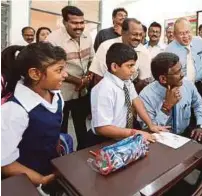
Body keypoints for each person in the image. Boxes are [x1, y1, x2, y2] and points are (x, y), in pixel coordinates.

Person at [1, 42, 67, 190]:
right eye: (59, 70)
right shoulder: (15, 110)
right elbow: (5, 164)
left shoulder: (56, 95)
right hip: (26, 180)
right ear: (35, 74)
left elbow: (53, 130)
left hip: (49, 168)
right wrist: (42, 180)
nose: (66, 74)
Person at [88, 43, 168, 146]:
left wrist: (150, 125)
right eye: (130, 65)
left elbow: (136, 101)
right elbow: (102, 128)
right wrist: (134, 133)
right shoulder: (103, 90)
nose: (134, 69)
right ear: (114, 67)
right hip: (103, 141)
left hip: (122, 136)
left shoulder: (126, 81)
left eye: (134, 65)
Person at [47, 6, 95, 150]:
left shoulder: (87, 36)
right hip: (61, 92)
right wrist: (78, 81)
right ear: (64, 22)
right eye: (74, 23)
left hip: (82, 91)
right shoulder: (53, 39)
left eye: (82, 22)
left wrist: (87, 77)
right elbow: (53, 68)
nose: (79, 27)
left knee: (82, 128)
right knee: (61, 129)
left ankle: (82, 155)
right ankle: (63, 158)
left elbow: (93, 60)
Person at [138, 52, 202, 139]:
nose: (182, 75)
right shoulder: (146, 96)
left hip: (185, 134)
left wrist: (200, 125)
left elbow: (198, 103)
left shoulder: (187, 84)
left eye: (181, 69)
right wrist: (166, 107)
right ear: (163, 79)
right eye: (177, 72)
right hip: (160, 139)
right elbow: (148, 129)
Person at [89, 18, 152, 93]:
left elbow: (143, 81)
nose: (138, 38)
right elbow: (98, 77)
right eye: (134, 34)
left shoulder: (144, 52)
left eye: (140, 35)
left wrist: (128, 98)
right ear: (123, 32)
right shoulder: (106, 47)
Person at [166, 18, 202, 96]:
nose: (185, 36)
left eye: (187, 32)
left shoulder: (199, 42)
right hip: (181, 87)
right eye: (181, 33)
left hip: (200, 86)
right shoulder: (169, 50)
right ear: (175, 35)